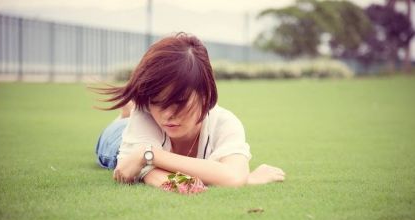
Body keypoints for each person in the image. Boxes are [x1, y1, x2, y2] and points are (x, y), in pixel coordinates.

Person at [94, 32, 285, 188]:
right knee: (113, 142)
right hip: (119, 139)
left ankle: (129, 111)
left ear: (205, 93)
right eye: (157, 102)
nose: (168, 114)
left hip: (145, 146)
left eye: (179, 102)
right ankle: (126, 113)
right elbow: (129, 170)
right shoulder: (146, 114)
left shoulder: (225, 123)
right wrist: (246, 178)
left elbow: (234, 178)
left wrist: (149, 154)